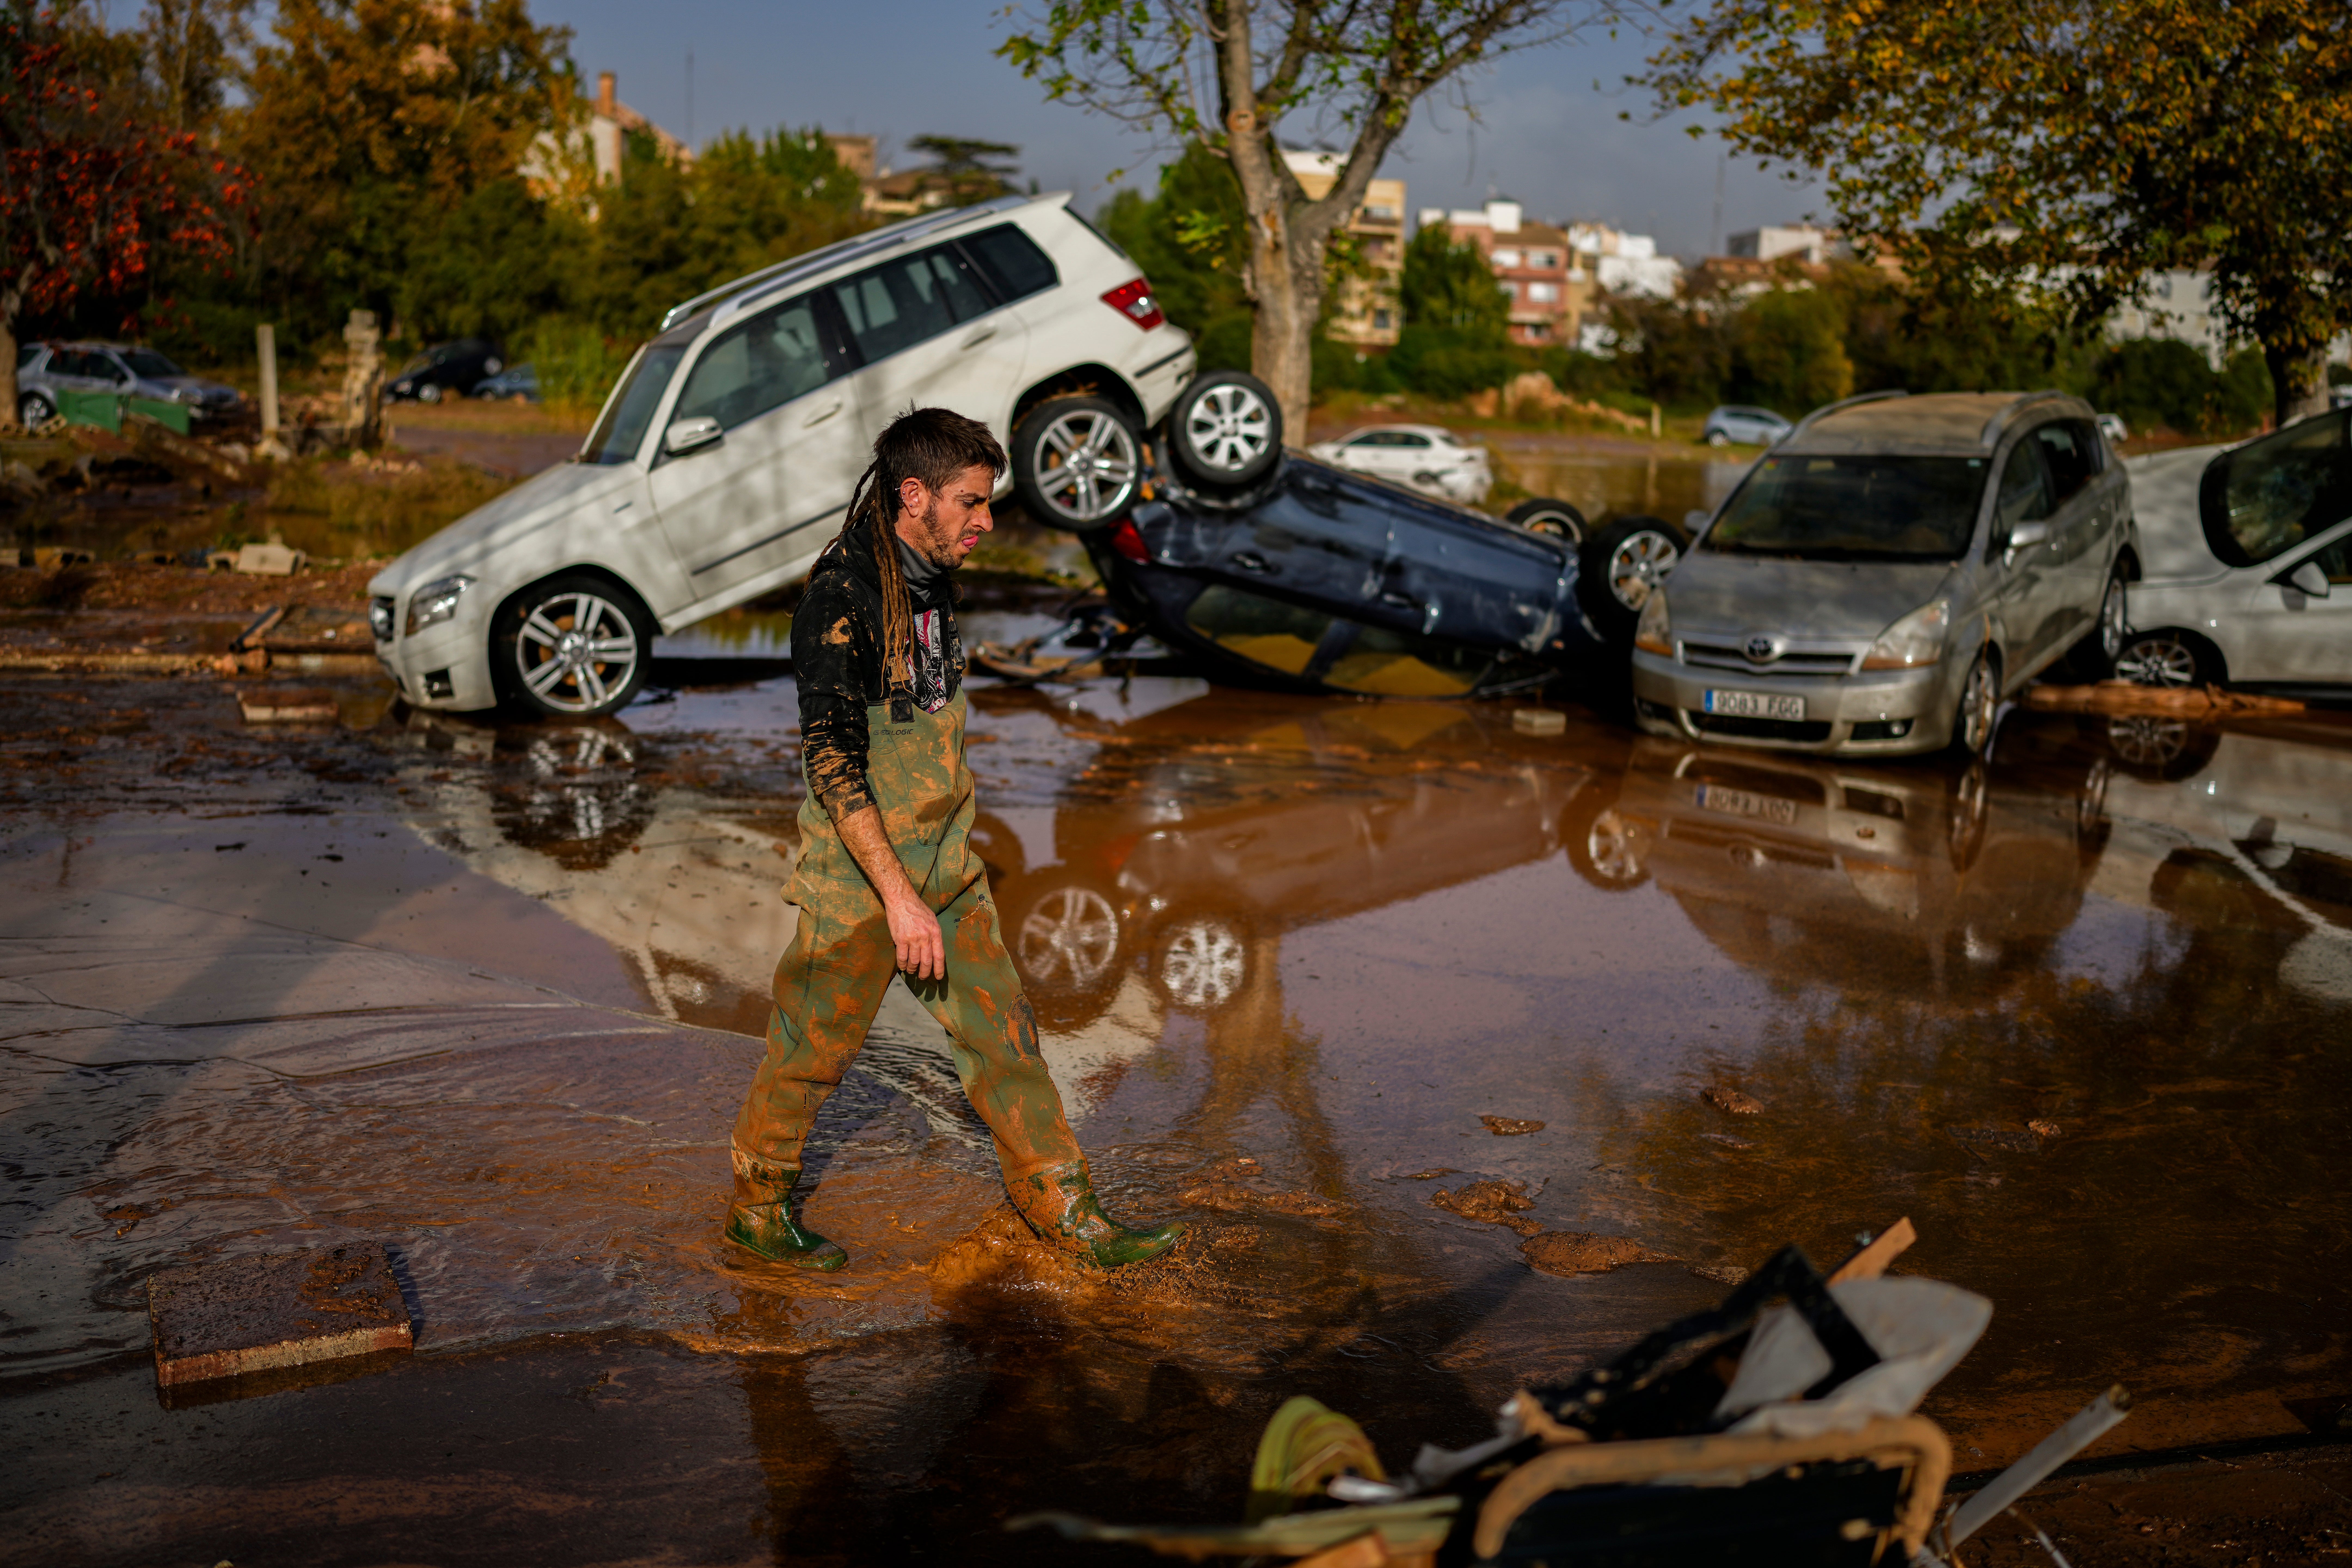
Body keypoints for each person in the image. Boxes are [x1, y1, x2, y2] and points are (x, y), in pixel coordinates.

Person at [725, 406, 1184, 1272]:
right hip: (862, 882)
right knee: (811, 1051)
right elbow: (833, 765)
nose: (987, 522)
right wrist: (899, 900)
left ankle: (1067, 1211)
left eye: (989, 503)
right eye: (972, 502)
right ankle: (757, 1209)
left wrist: (943, 877)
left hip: (948, 867)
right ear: (914, 495)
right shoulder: (840, 598)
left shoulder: (933, 573)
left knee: (1004, 1037)